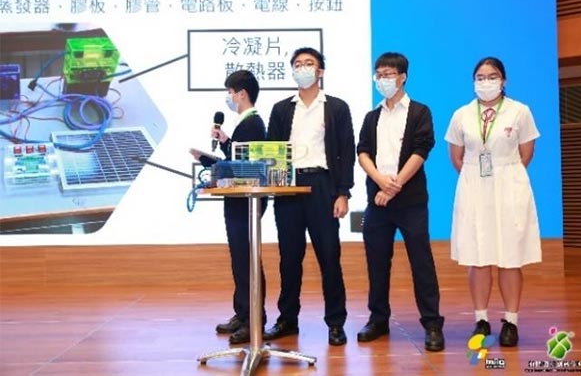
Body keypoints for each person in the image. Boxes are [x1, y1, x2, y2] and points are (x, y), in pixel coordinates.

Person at [444, 56, 541, 347]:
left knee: (510, 257)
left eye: (492, 76)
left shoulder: (520, 111)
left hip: (510, 184)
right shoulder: (461, 114)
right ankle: (481, 319)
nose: (486, 82)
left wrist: (503, 175)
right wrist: (479, 177)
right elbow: (456, 157)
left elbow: (526, 153)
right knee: (478, 256)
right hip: (474, 186)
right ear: (473, 82)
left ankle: (511, 321)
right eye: (480, 77)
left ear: (503, 80)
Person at [264, 47, 355, 346]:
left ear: (320, 71)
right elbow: (272, 150)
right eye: (298, 64)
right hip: (288, 188)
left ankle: (336, 322)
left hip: (322, 185)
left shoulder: (336, 107)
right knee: (289, 258)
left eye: (309, 63)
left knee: (329, 256)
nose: (302, 68)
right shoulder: (281, 108)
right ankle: (287, 319)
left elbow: (346, 152)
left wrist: (343, 193)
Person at [356, 52, 445, 351]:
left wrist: (394, 187)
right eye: (379, 74)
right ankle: (378, 319)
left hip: (411, 201)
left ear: (403, 77)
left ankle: (432, 323)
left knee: (421, 262)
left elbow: (421, 150)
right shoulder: (372, 116)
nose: (383, 79)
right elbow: (362, 152)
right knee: (376, 262)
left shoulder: (420, 112)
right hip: (377, 201)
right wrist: (380, 181)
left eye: (389, 74)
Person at [190, 69, 267, 345]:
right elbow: (238, 157)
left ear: (241, 94)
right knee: (239, 257)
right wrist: (222, 145)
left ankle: (253, 318)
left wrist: (211, 162)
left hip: (247, 201)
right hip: (238, 200)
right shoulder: (245, 123)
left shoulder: (253, 123)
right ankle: (243, 312)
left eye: (230, 93)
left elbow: (245, 167)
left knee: (246, 258)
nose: (229, 97)